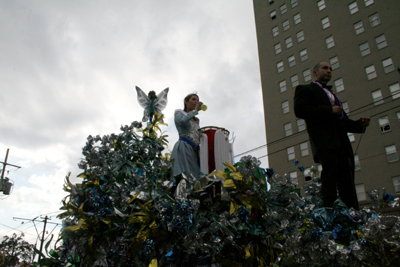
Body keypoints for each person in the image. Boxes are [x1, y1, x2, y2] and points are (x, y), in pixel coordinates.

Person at [294, 62, 370, 210]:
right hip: (325, 143)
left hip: (343, 145)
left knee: (347, 182)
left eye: (331, 69)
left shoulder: (334, 96)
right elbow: (300, 110)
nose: (329, 71)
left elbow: (344, 122)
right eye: (325, 68)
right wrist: (328, 110)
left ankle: (352, 214)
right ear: (315, 73)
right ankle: (330, 213)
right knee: (330, 178)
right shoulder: (304, 89)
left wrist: (359, 124)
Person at [171, 93, 204, 178]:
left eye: (197, 100)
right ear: (186, 102)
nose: (196, 102)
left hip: (195, 150)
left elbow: (198, 136)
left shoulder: (196, 120)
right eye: (193, 99)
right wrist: (195, 110)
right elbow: (182, 121)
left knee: (197, 175)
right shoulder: (179, 112)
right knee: (187, 174)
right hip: (184, 147)